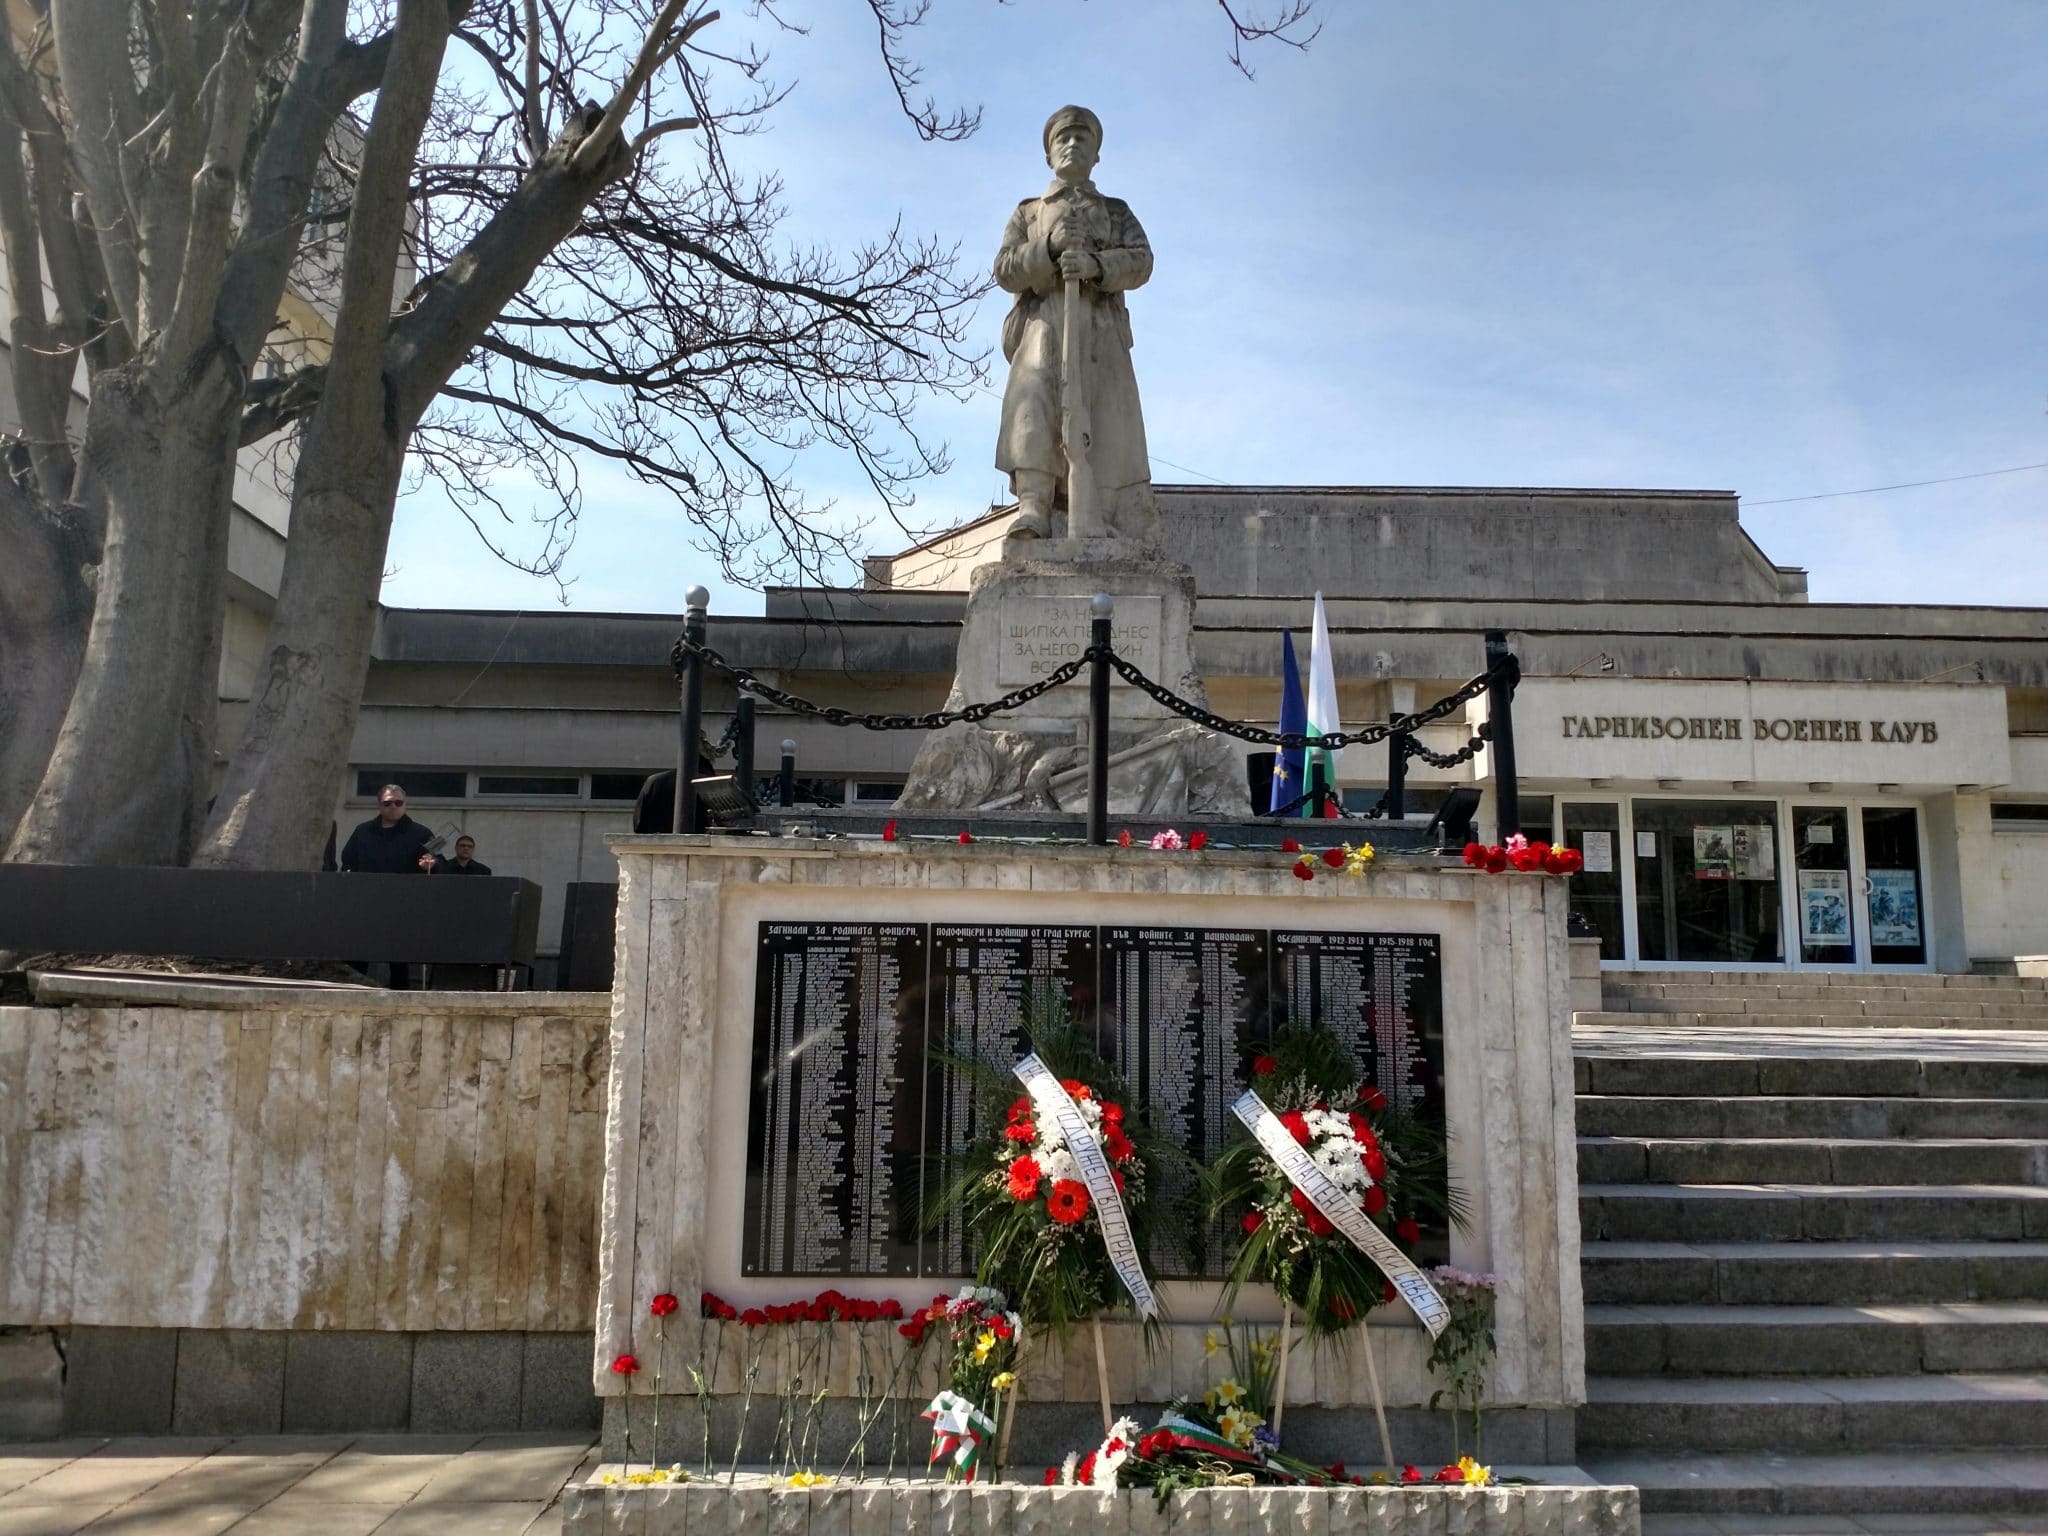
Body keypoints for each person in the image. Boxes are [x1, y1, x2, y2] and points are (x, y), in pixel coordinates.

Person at [995, 105, 1157, 543]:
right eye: (1062, 138)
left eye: (1082, 138)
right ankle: (1034, 507)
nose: (1071, 144)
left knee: (1104, 419)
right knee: (1034, 410)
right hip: (1043, 328)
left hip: (1100, 331)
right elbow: (1005, 269)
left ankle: (1100, 515)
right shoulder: (1030, 214)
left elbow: (1142, 261)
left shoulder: (1116, 212)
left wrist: (1097, 266)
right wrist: (1049, 247)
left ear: (1097, 154)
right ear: (1048, 154)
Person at [339, 784, 434, 988]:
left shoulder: (421, 833)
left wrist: (430, 865)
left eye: (398, 802)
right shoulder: (363, 831)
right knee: (358, 951)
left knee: (398, 956)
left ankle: (401, 997)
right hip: (365, 902)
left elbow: (438, 862)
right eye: (388, 803)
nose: (393, 807)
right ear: (379, 805)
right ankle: (353, 992)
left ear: (405, 805)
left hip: (402, 904)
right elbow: (347, 861)